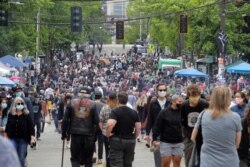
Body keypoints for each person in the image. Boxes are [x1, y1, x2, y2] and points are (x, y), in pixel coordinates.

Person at [191, 86, 242, 167]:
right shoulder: (235, 117)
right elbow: (237, 144)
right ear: (227, 99)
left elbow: (193, 138)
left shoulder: (203, 114)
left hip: (207, 161)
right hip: (230, 161)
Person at [61, 87, 99, 167]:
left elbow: (65, 120)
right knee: (88, 159)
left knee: (75, 158)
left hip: (75, 134)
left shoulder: (71, 103)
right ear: (89, 95)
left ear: (78, 94)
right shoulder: (93, 104)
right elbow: (96, 121)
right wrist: (95, 136)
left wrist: (64, 133)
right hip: (89, 134)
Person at [106, 91, 141, 167]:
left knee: (117, 163)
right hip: (130, 140)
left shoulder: (115, 112)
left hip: (117, 140)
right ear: (127, 100)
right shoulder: (134, 112)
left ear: (118, 100)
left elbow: (109, 124)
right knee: (128, 163)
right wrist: (134, 136)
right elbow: (138, 127)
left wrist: (108, 134)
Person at [181, 84, 208, 166]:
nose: (194, 97)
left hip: (203, 137)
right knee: (189, 160)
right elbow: (182, 121)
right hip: (188, 137)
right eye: (192, 95)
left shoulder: (204, 104)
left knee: (202, 160)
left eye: (196, 95)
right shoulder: (184, 105)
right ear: (188, 95)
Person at [152, 95, 184, 167]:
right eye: (179, 102)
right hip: (166, 141)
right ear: (173, 102)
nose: (181, 104)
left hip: (179, 141)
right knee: (166, 163)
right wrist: (154, 138)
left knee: (177, 163)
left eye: (182, 102)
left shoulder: (183, 112)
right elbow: (157, 125)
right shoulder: (164, 112)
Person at [5, 97, 36, 167]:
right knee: (13, 156)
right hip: (12, 139)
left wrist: (32, 137)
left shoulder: (26, 115)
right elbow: (7, 127)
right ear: (14, 105)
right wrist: (6, 137)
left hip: (23, 139)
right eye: (18, 103)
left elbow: (31, 127)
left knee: (21, 157)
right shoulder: (11, 115)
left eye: (22, 103)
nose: (20, 105)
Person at [145, 83, 170, 167]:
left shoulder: (170, 102)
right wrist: (147, 133)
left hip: (169, 132)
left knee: (167, 158)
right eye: (160, 90)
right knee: (158, 156)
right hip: (157, 133)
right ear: (157, 91)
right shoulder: (153, 103)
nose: (162, 92)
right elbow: (150, 119)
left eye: (164, 90)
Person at [99, 91, 118, 167]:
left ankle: (108, 165)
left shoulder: (104, 108)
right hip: (116, 133)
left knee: (107, 151)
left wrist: (102, 130)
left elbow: (100, 121)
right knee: (116, 152)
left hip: (105, 133)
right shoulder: (117, 108)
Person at [93, 90, 105, 164]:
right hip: (101, 125)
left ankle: (93, 153)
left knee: (92, 141)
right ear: (101, 97)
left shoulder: (91, 104)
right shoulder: (103, 105)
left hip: (92, 125)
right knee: (100, 142)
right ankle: (100, 159)